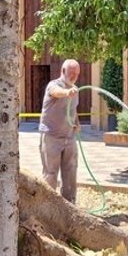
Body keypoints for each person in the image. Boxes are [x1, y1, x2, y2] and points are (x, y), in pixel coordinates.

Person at [39, 59, 81, 203]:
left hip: (69, 137)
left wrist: (77, 122)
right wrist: (67, 92)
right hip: (52, 137)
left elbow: (73, 109)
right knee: (50, 174)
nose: (74, 76)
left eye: (77, 73)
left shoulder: (75, 89)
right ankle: (48, 206)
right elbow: (56, 93)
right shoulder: (54, 85)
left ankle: (70, 206)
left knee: (70, 172)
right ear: (63, 71)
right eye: (71, 73)